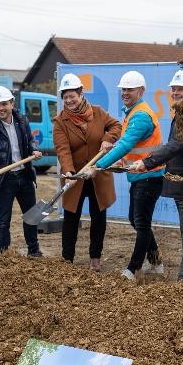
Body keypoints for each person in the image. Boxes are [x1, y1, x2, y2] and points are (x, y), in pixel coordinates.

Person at [131, 69, 183, 280]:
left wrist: (147, 162)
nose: (175, 92)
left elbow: (177, 144)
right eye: (174, 89)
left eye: (180, 89)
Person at [81, 70, 165, 280]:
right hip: (140, 175)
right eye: (123, 89)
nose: (125, 93)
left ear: (141, 91)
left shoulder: (141, 116)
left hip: (149, 176)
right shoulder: (132, 112)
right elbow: (135, 148)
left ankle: (133, 269)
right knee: (136, 220)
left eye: (130, 89)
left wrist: (98, 166)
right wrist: (122, 161)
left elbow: (125, 143)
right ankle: (156, 262)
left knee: (141, 222)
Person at [53, 73, 122, 270]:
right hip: (75, 176)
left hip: (98, 174)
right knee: (71, 218)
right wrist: (68, 171)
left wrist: (108, 138)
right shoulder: (60, 122)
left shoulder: (98, 113)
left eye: (72, 95)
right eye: (65, 97)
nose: (69, 100)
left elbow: (116, 126)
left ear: (81, 93)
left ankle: (95, 258)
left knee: (98, 217)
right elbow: (63, 149)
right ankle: (67, 259)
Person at [0, 86, 43, 256]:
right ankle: (4, 253)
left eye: (4, 104)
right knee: (3, 221)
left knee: (31, 216)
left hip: (24, 174)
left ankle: (34, 251)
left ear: (12, 103)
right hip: (5, 178)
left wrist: (33, 150)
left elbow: (30, 140)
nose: (1, 108)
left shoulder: (22, 120)